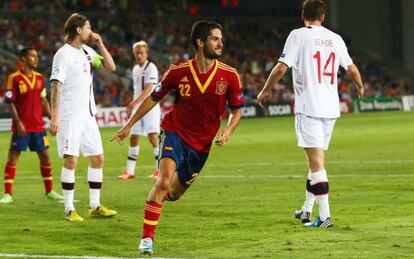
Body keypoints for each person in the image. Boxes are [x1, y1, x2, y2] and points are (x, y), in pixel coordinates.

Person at [112, 20, 245, 255]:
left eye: (221, 39)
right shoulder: (177, 72)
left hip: (201, 145)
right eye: (216, 38)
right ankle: (147, 239)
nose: (221, 43)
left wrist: (228, 131)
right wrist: (129, 125)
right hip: (175, 133)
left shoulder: (230, 76)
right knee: (163, 181)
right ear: (201, 42)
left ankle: (155, 202)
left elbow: (237, 110)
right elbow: (153, 98)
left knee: (173, 193)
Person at [257, 0, 364, 228]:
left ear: (302, 15)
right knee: (316, 161)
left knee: (316, 164)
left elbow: (281, 68)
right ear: (323, 17)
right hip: (331, 109)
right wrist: (360, 86)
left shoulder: (298, 35)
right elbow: (352, 68)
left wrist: (265, 90)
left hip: (309, 108)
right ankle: (307, 209)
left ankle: (325, 217)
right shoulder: (335, 38)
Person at [49, 13, 117, 222]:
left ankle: (94, 205)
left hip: (88, 116)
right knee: (71, 160)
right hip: (70, 117)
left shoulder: (88, 51)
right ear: (78, 30)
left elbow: (110, 67)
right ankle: (69, 209)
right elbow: (55, 86)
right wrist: (54, 117)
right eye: (88, 27)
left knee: (98, 158)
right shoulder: (63, 54)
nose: (91, 31)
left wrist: (100, 44)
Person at [0, 47, 64, 204]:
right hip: (21, 127)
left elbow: (44, 101)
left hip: (38, 126)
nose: (36, 58)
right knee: (13, 157)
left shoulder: (40, 78)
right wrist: (19, 123)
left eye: (37, 56)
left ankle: (49, 191)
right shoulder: (13, 78)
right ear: (23, 58)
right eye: (33, 56)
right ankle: (8, 194)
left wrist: (53, 118)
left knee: (45, 156)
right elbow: (10, 103)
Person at [118, 41, 161, 180]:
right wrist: (134, 102)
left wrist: (136, 101)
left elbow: (149, 88)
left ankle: (159, 170)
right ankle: (130, 172)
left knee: (153, 136)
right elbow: (137, 88)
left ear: (146, 53)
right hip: (137, 108)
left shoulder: (151, 67)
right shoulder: (135, 68)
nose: (139, 55)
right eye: (136, 53)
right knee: (133, 136)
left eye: (141, 52)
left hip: (150, 106)